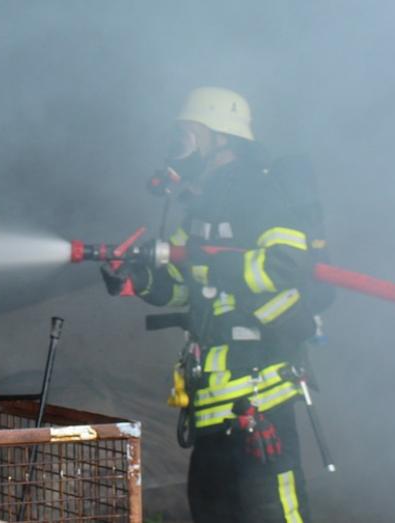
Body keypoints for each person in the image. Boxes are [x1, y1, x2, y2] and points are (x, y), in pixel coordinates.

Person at [102, 86, 330, 522]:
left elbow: (286, 266)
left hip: (261, 399)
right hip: (211, 408)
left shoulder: (261, 193)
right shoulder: (204, 207)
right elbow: (184, 285)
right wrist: (139, 279)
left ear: (221, 137)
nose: (179, 146)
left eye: (189, 134)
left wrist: (216, 261)